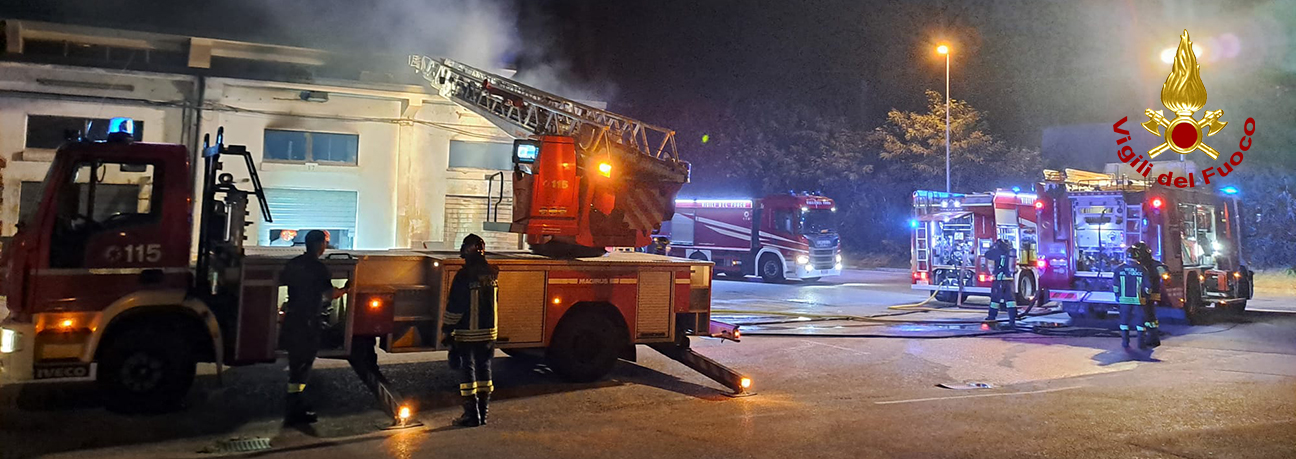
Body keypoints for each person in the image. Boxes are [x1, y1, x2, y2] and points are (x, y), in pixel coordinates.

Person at [280, 230, 349, 425]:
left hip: (293, 320)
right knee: (303, 366)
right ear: (320, 245)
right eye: (324, 243)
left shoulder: (293, 263)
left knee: (296, 365)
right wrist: (346, 290)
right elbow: (329, 294)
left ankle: (293, 404)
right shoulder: (319, 268)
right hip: (308, 322)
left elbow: (284, 281)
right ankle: (296, 409)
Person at [441, 234, 499, 427]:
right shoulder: (491, 273)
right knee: (485, 370)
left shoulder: (464, 276)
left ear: (466, 251)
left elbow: (456, 306)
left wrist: (447, 328)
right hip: (488, 333)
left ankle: (471, 415)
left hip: (467, 333)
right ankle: (483, 413)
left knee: (468, 374)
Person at [1113, 247, 1153, 349]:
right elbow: (1148, 286)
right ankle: (1141, 344)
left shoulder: (1119, 269)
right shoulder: (1142, 269)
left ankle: (1125, 343)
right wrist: (1148, 296)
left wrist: (1117, 295)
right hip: (1138, 301)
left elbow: (1115, 285)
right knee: (1140, 323)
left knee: (1124, 322)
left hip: (1124, 301)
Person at [1131, 242, 1164, 348]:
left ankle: (1148, 338)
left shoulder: (1139, 266)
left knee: (1145, 316)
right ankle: (1153, 337)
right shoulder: (1154, 264)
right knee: (1150, 316)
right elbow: (1163, 272)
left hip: (1145, 295)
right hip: (1151, 294)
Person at [983, 239, 1018, 327]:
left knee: (995, 300)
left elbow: (987, 255)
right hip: (1009, 279)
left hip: (998, 279)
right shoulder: (1010, 252)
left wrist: (991, 247)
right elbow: (1013, 268)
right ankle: (1012, 319)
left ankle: (991, 316)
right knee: (1010, 300)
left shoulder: (996, 252)